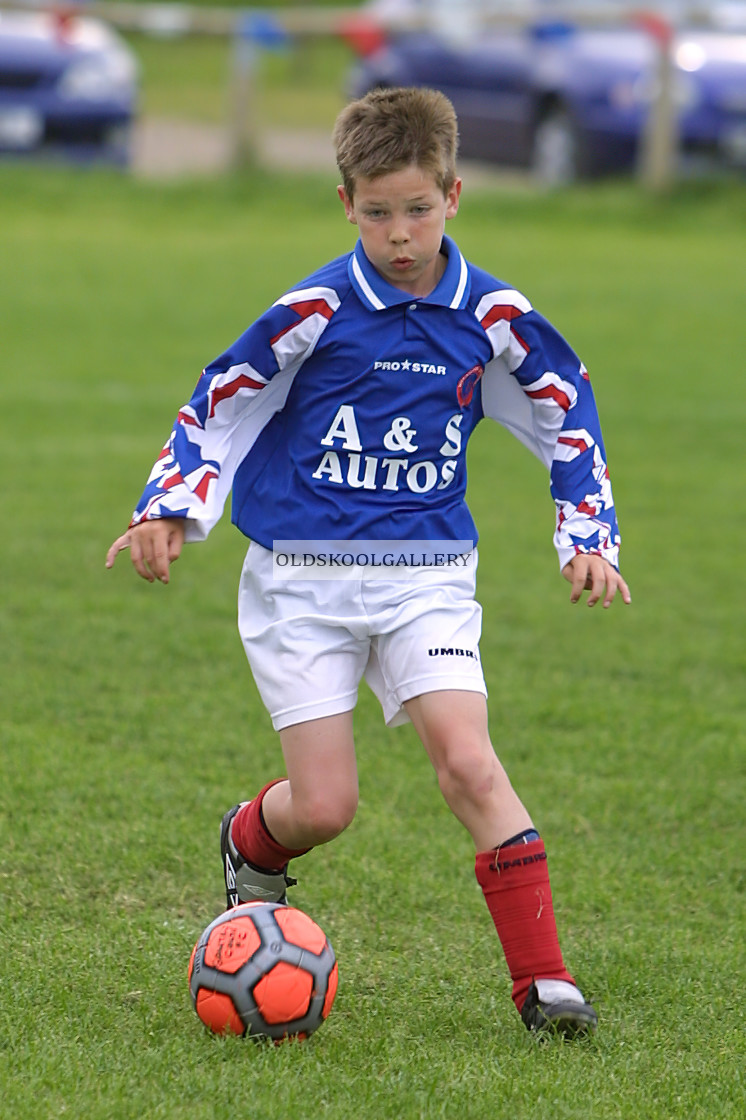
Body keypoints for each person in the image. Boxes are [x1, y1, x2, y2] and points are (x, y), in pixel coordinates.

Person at [107, 87, 630, 1038]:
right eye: (379, 212)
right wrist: (169, 508)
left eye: (418, 209)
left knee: (470, 764)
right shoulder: (314, 308)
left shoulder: (493, 314)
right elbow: (222, 398)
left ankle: (545, 983)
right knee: (326, 804)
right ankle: (250, 840)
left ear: (455, 195)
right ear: (346, 203)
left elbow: (568, 412)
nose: (401, 233)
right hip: (301, 582)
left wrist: (586, 536)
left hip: (427, 573)